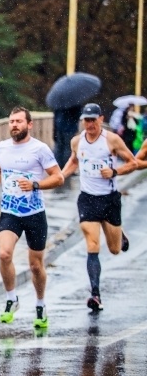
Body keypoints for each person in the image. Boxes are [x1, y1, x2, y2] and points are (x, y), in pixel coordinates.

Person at [0, 107, 64, 329]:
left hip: (34, 213)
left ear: (29, 125)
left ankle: (40, 304)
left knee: (36, 265)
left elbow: (59, 177)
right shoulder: (2, 148)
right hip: (10, 212)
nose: (14, 125)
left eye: (18, 121)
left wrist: (35, 184)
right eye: (11, 121)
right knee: (4, 253)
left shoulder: (40, 149)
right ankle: (12, 299)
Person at [60, 103, 137, 312]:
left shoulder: (111, 140)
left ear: (101, 119)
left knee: (114, 250)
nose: (90, 124)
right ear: (82, 121)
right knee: (92, 245)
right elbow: (74, 161)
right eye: (86, 120)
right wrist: (60, 175)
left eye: (93, 119)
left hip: (109, 199)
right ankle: (95, 294)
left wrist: (114, 171)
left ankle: (119, 234)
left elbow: (133, 163)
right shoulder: (77, 141)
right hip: (87, 199)